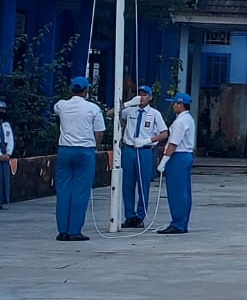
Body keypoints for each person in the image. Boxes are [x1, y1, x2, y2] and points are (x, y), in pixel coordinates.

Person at [53, 77, 107, 241]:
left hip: (65, 150)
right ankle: (74, 230)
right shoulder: (93, 108)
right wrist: (95, 146)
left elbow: (56, 110)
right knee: (81, 191)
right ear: (86, 91)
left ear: (71, 89)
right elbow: (99, 132)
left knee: (63, 191)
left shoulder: (61, 105)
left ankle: (62, 230)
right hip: (85, 151)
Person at [120, 86, 166, 226]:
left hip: (144, 150)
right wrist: (127, 103)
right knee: (127, 184)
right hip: (129, 149)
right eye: (139, 94)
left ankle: (140, 216)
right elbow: (110, 114)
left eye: (144, 95)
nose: (141, 97)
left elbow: (164, 133)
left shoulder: (154, 114)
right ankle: (129, 216)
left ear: (150, 97)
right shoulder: (130, 110)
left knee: (143, 184)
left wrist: (148, 140)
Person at [157, 92, 196, 234]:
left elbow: (173, 143)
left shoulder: (180, 121)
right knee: (184, 191)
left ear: (181, 105)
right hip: (185, 155)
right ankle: (182, 222)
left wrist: (163, 161)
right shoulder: (188, 119)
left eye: (175, 103)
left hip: (178, 156)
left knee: (176, 192)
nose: (173, 106)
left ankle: (178, 223)